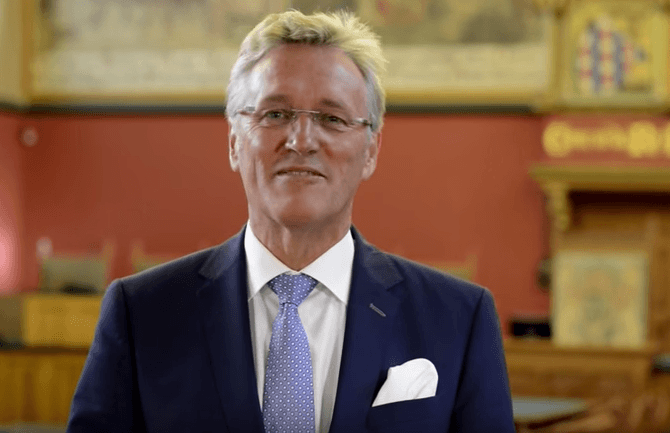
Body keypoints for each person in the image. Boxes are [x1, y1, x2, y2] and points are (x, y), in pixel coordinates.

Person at [66, 10, 515, 433]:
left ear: (371, 151)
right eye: (276, 114)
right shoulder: (141, 314)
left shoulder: (458, 319)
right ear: (234, 142)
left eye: (332, 118)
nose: (301, 141)